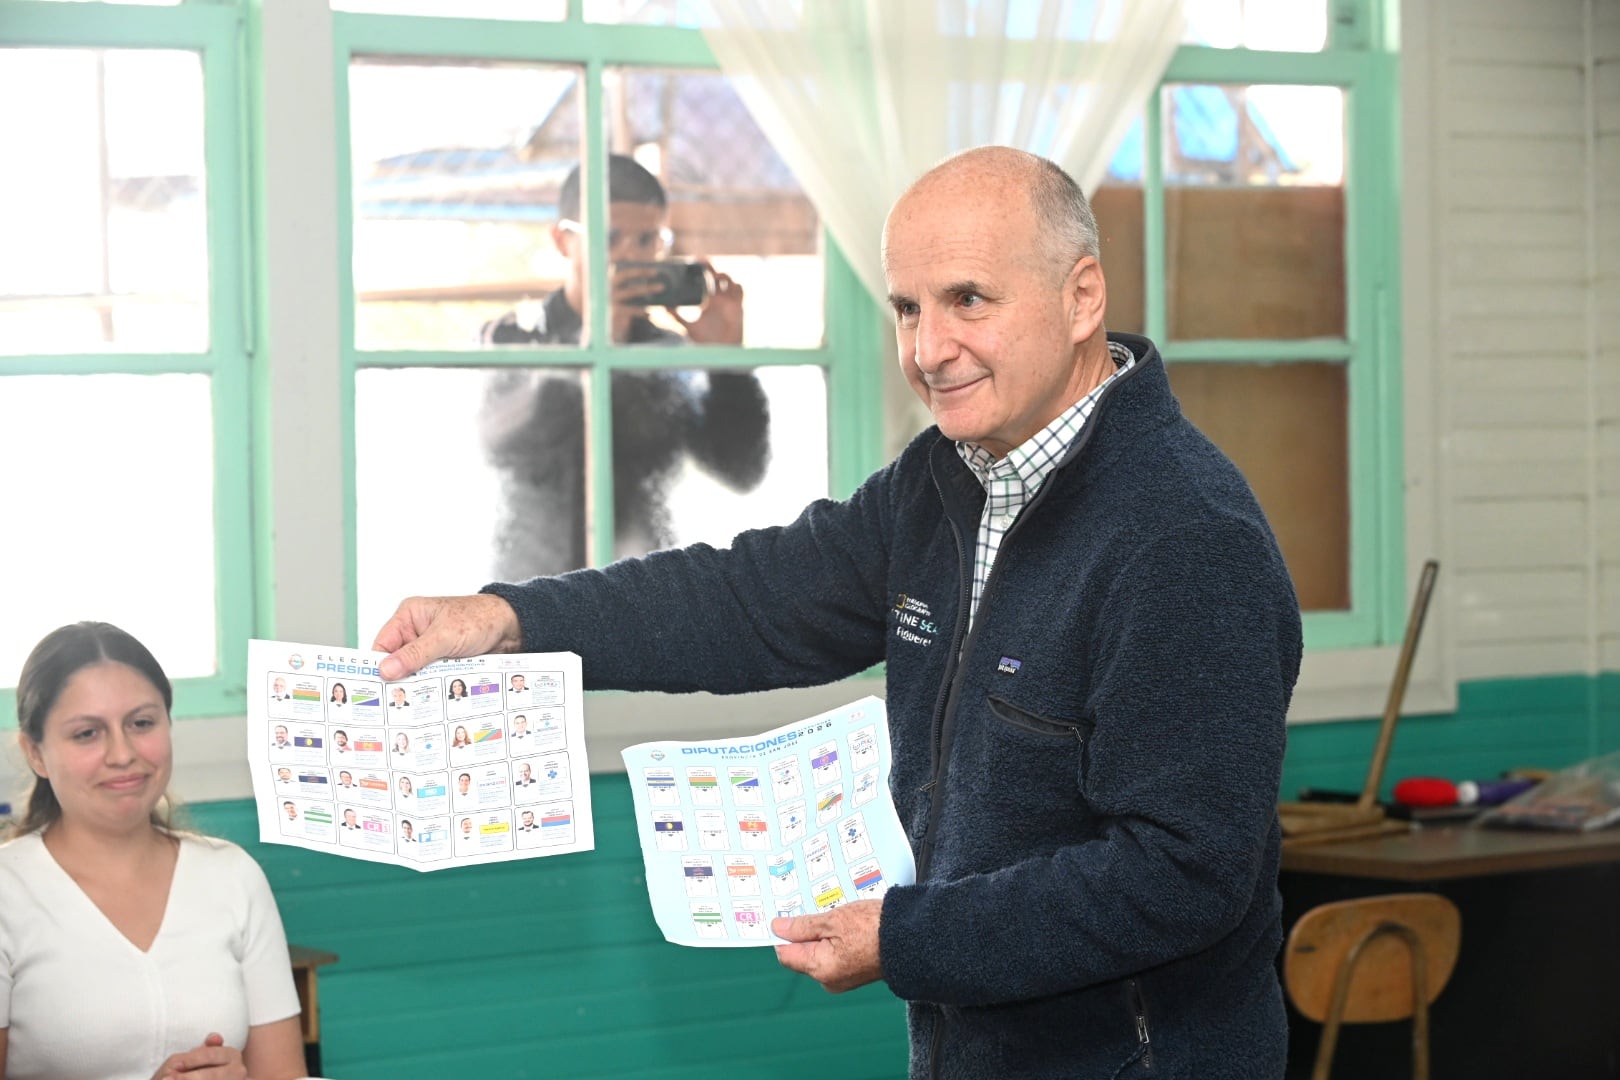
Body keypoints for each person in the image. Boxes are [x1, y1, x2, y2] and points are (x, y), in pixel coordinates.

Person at [371, 146, 1301, 1080]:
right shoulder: (944, 479)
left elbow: (1180, 874)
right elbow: (750, 598)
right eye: (908, 307)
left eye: (968, 299)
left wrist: (904, 939)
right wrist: (510, 617)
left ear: (1082, 297)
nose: (928, 350)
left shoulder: (1187, 537)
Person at [0, 622, 307, 1080]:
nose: (122, 754)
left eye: (141, 723)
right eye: (87, 733)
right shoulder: (10, 890)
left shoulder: (233, 876)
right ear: (36, 753)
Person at [478, 153, 770, 578]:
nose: (629, 257)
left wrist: (727, 364)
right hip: (527, 588)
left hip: (638, 592)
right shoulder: (510, 338)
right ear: (563, 241)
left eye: (646, 240)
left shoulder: (667, 352)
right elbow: (506, 449)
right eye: (610, 238)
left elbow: (741, 472)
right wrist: (600, 343)